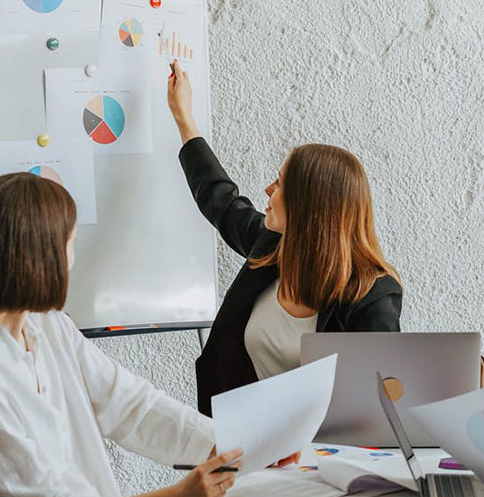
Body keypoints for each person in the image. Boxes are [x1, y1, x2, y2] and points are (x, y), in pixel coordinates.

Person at [0, 173, 242, 497]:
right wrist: (180, 495)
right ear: (39, 260)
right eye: (71, 244)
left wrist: (234, 446)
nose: (72, 260)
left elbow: (129, 404)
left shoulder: (45, 325)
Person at [165, 60, 403, 415]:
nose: (268, 189)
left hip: (322, 459)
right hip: (244, 444)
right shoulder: (274, 250)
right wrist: (184, 119)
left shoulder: (371, 297)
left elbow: (379, 407)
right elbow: (220, 200)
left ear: (308, 209)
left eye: (279, 184)